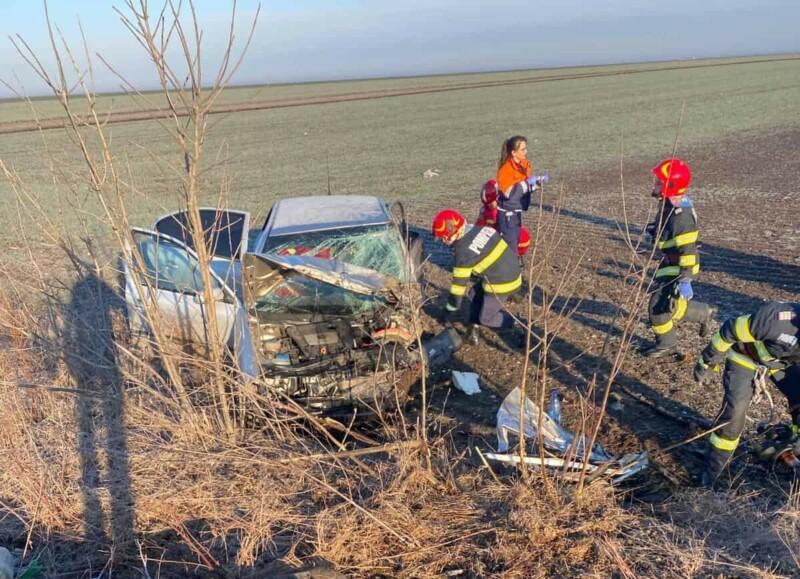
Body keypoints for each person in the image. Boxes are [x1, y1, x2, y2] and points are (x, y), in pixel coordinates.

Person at [693, 301, 800, 485]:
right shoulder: (776, 320)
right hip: (746, 356)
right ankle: (712, 474)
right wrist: (708, 361)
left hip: (781, 363)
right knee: (734, 415)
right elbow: (730, 329)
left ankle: (793, 444)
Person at [640, 158, 715, 357]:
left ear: (669, 186)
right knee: (667, 304)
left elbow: (688, 249)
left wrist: (685, 280)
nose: (654, 185)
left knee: (657, 307)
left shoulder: (681, 215)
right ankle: (702, 313)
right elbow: (666, 228)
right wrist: (655, 231)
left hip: (680, 267)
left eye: (658, 182)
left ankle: (667, 345)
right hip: (669, 263)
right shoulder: (668, 203)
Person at [432, 208, 523, 346]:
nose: (444, 241)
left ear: (454, 233)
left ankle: (515, 323)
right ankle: (472, 330)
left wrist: (449, 310)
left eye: (444, 238)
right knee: (474, 294)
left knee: (486, 318)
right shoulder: (481, 229)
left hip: (502, 282)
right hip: (513, 270)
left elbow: (458, 289)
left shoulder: (462, 252)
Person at [495, 136, 545, 252]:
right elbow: (510, 194)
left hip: (517, 211)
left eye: (525, 148)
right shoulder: (505, 170)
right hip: (507, 214)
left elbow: (524, 187)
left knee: (516, 240)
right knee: (510, 244)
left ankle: (514, 264)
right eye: (523, 149)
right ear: (513, 153)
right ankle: (510, 267)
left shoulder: (523, 165)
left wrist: (536, 183)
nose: (526, 152)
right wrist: (527, 183)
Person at [476, 179, 532, 257]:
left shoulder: (505, 208)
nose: (489, 205)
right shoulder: (485, 209)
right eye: (487, 203)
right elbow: (478, 227)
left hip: (518, 241)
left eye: (492, 202)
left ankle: (513, 258)